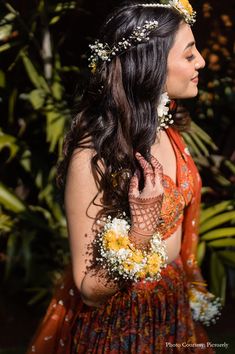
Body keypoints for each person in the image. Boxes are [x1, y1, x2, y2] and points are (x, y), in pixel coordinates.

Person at [27, 1, 221, 353]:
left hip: (171, 307)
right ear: (151, 64)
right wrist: (141, 232)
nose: (202, 62)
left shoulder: (167, 130)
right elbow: (88, 287)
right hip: (123, 325)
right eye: (189, 54)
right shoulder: (93, 156)